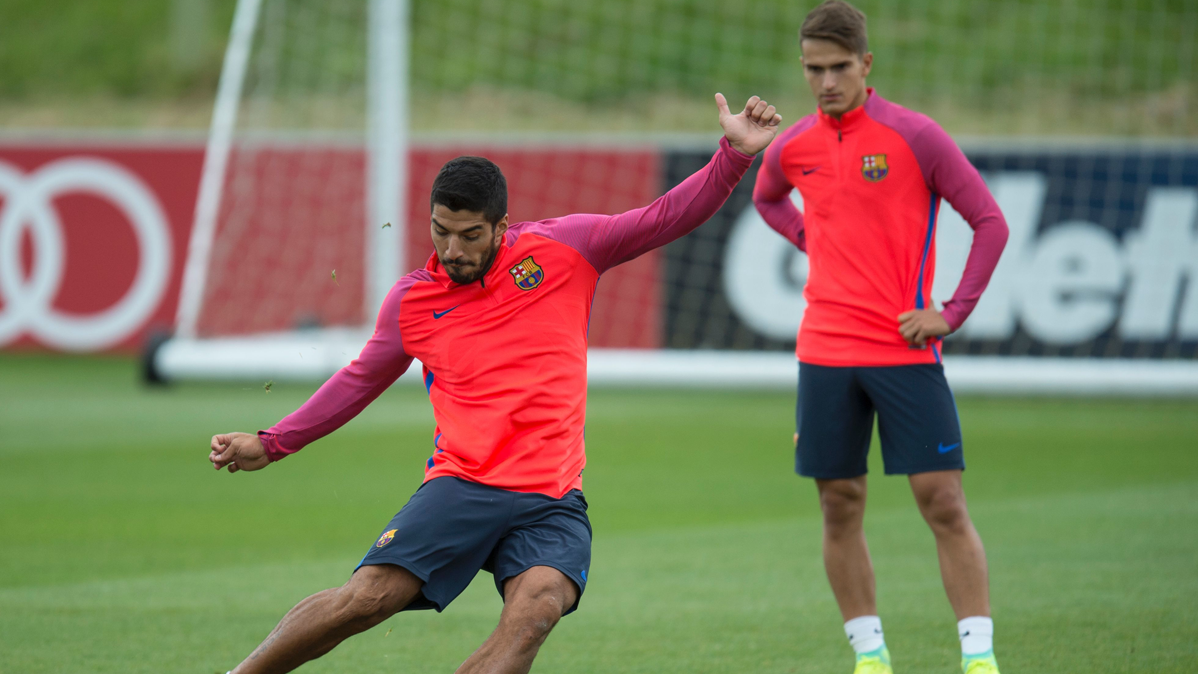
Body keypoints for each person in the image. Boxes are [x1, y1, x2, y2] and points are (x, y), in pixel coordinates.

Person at [207, 93, 781, 674]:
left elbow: (663, 217)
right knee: (367, 600)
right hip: (462, 485)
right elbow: (358, 381)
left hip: (552, 496)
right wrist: (273, 441)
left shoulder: (567, 249)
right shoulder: (411, 302)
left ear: (502, 226)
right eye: (441, 231)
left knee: (538, 608)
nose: (452, 250)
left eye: (470, 235)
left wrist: (733, 154)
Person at [751, 3, 1009, 674]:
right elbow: (767, 196)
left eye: (840, 67)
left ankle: (978, 659)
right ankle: (872, 658)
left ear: (867, 65)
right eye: (814, 69)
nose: (827, 81)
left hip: (903, 349)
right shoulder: (795, 144)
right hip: (825, 352)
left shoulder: (915, 136)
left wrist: (951, 312)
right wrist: (810, 240)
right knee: (840, 505)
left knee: (943, 502)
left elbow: (989, 220)